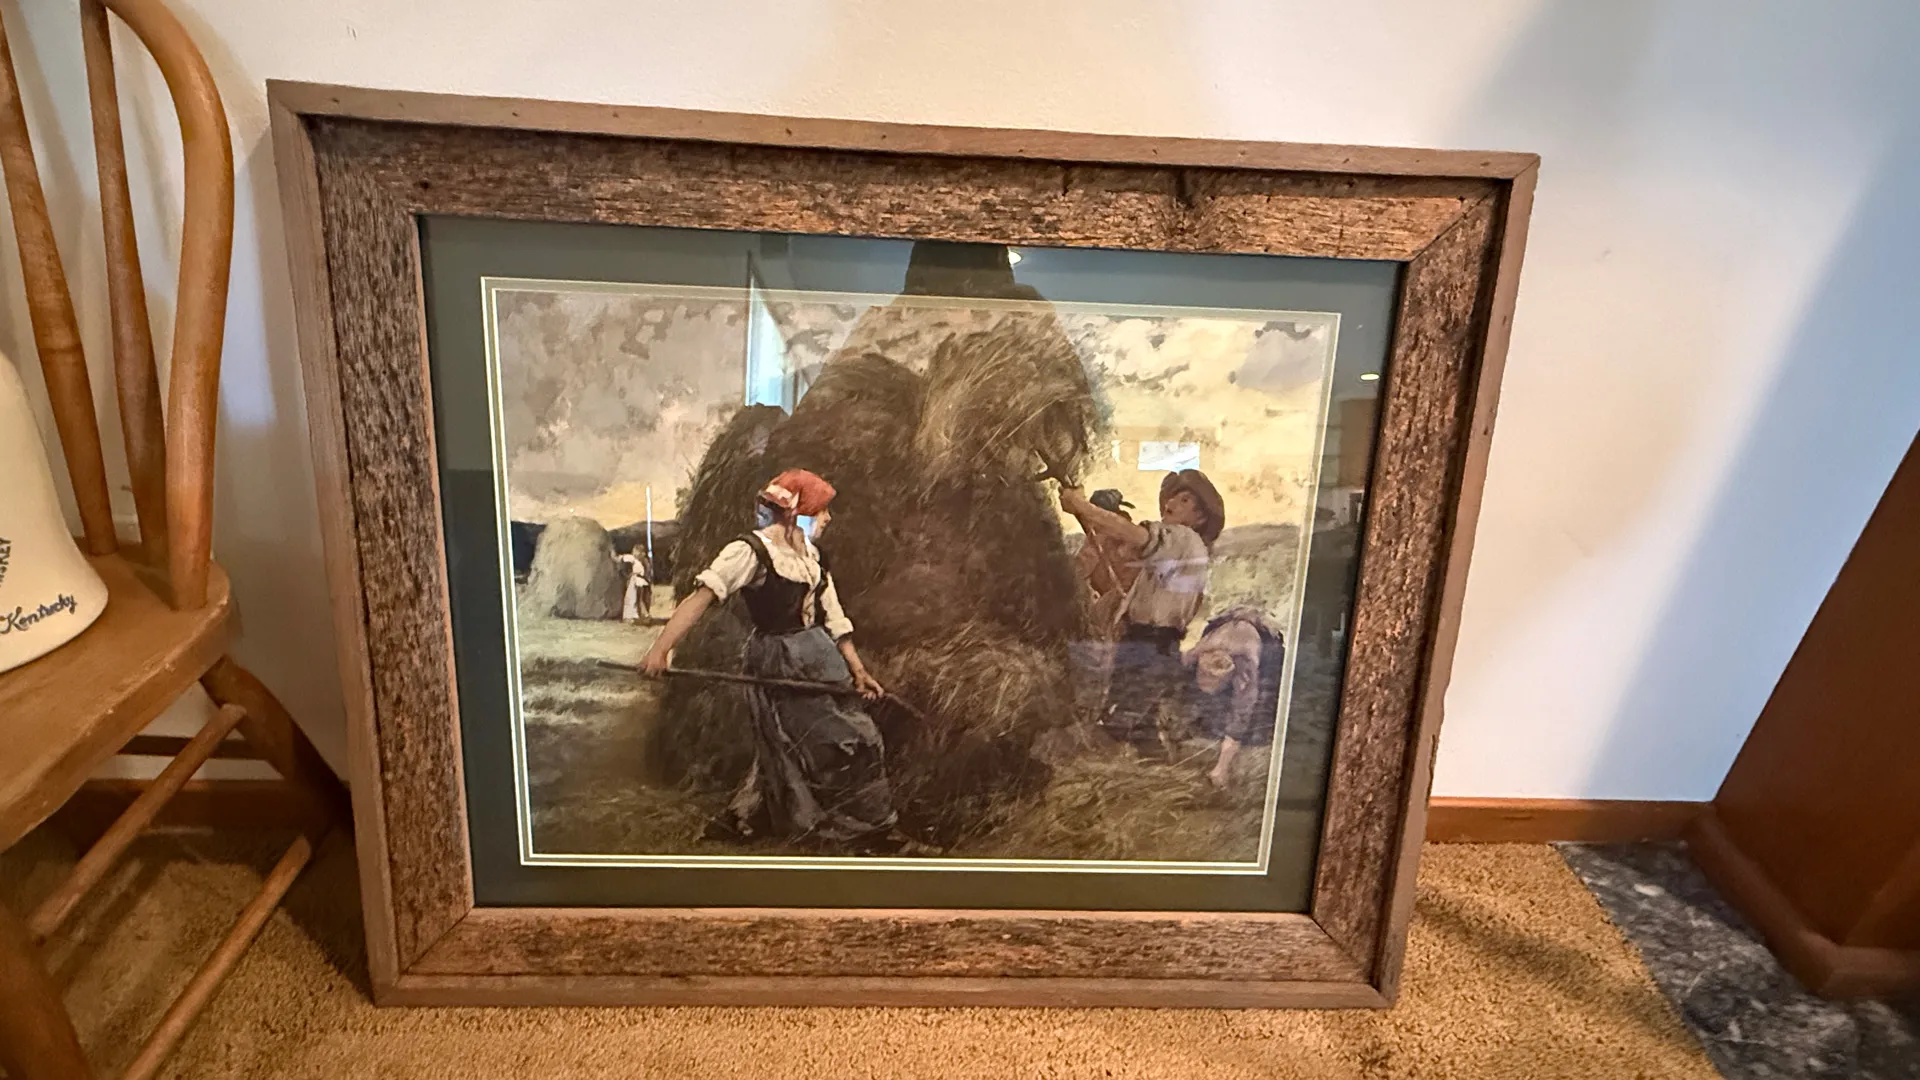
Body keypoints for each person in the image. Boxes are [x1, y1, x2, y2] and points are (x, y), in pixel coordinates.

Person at [640, 469, 898, 849]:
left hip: (820, 658)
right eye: (821, 511)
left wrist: (858, 671)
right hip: (781, 659)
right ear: (796, 514)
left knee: (787, 741)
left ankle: (742, 816)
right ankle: (867, 830)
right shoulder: (751, 551)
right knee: (845, 739)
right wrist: (661, 649)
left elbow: (834, 616)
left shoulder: (812, 556)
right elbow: (701, 598)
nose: (828, 519)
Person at [1059, 469, 1225, 755]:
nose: (1171, 502)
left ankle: (1106, 764)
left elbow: (1131, 535)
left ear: (1200, 518)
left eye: (1185, 500)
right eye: (1173, 496)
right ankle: (1156, 763)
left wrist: (1082, 506)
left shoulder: (1183, 537)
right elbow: (1126, 558)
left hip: (1151, 646)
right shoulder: (1180, 550)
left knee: (1117, 720)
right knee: (1141, 726)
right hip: (1151, 644)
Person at [1184, 606, 1285, 788]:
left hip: (1262, 638)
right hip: (1228, 619)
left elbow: (1242, 711)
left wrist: (1221, 768)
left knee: (1257, 716)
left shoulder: (1245, 666)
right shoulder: (1200, 649)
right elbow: (1184, 657)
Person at [615, 550, 653, 623]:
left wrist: (612, 554)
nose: (633, 553)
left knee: (633, 598)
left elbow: (619, 559)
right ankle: (643, 615)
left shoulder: (633, 559)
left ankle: (635, 616)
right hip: (642, 581)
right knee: (639, 599)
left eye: (635, 551)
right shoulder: (644, 561)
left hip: (636, 581)